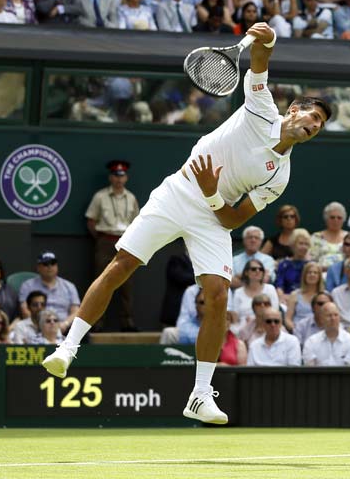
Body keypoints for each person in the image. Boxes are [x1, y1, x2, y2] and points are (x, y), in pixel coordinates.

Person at [40, 24, 331, 424]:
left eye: (319, 125)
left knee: (218, 295)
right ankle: (67, 348)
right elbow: (261, 61)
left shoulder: (279, 176)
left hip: (212, 214)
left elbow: (232, 217)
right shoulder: (261, 107)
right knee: (121, 265)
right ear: (294, 110)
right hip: (179, 191)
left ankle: (199, 394)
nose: (313, 125)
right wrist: (268, 39)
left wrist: (213, 192)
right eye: (312, 115)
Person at [83, 160, 139, 330]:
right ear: (110, 177)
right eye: (115, 175)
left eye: (122, 176)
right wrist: (101, 239)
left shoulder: (131, 198)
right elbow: (91, 221)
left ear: (126, 178)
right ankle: (97, 322)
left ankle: (127, 322)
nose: (119, 179)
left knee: (127, 285)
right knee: (101, 282)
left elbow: (137, 222)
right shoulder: (100, 196)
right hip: (106, 241)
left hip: (126, 243)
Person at [301, 302, 350, 366]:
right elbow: (309, 369)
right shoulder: (311, 342)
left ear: (340, 317)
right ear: (321, 319)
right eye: (329, 315)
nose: (333, 318)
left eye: (336, 315)